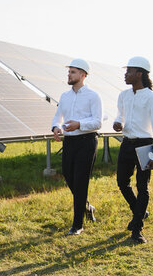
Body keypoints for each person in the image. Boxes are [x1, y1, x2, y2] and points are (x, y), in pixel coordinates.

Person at [113, 56, 153, 244]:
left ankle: (137, 229)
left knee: (142, 187)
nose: (125, 75)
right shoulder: (123, 95)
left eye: (129, 71)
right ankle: (139, 213)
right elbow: (120, 114)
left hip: (145, 145)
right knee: (122, 181)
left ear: (140, 74)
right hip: (127, 143)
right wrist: (118, 122)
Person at [52, 59, 103, 236]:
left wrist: (79, 124)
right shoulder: (65, 97)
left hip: (87, 141)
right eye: (69, 72)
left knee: (81, 181)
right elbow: (58, 116)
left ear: (83, 75)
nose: (69, 74)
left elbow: (98, 121)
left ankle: (77, 225)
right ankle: (87, 207)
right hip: (70, 142)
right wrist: (56, 127)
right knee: (68, 176)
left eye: (73, 72)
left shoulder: (93, 96)